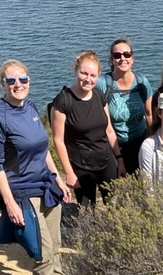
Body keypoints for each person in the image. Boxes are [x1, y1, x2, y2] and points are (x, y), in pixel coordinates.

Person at [0, 60, 72, 275]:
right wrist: (10, 202)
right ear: (3, 84)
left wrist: (58, 179)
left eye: (23, 79)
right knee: (41, 248)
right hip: (22, 191)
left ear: (29, 81)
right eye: (11, 80)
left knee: (54, 243)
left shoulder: (31, 107)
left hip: (45, 185)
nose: (18, 84)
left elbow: (42, 149)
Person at [50, 51, 121, 207]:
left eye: (93, 75)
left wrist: (119, 158)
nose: (88, 79)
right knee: (88, 211)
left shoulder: (99, 95)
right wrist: (69, 172)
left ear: (98, 76)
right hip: (81, 166)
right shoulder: (63, 101)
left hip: (106, 161)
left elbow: (109, 130)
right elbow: (58, 140)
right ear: (76, 71)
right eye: (84, 73)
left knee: (115, 207)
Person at [97, 37, 154, 175]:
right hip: (114, 147)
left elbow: (149, 114)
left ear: (132, 58)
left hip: (140, 143)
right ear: (112, 59)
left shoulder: (141, 82)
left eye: (127, 54)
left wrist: (150, 140)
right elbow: (105, 125)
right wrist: (119, 157)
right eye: (117, 55)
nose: (123, 58)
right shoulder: (103, 84)